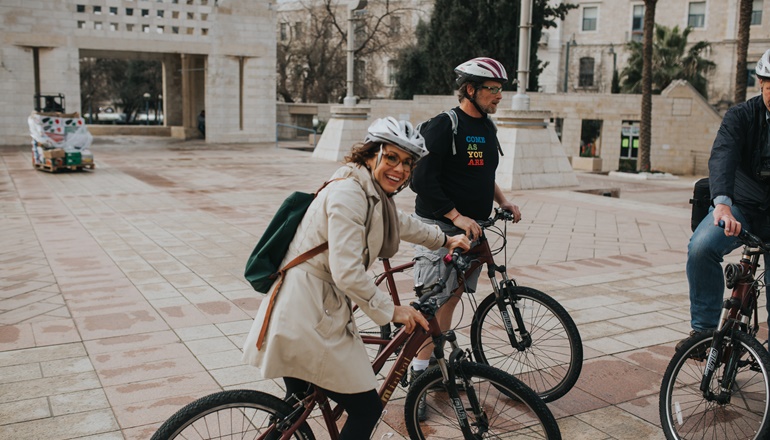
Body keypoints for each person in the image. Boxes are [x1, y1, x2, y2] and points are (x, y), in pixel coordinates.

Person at [242, 117, 471, 439]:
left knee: (295, 407)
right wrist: (392, 310)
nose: (401, 169)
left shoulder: (367, 189)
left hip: (308, 309)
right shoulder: (349, 193)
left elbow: (400, 222)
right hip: (308, 314)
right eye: (391, 157)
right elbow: (347, 271)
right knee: (367, 409)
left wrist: (445, 239)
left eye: (408, 162)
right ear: (370, 154)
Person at [408, 57, 522, 415]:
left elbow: (483, 174)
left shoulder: (487, 128)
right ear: (470, 89)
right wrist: (456, 216)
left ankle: (435, 370)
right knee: (431, 306)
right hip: (439, 230)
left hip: (473, 231)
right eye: (493, 89)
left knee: (451, 300)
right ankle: (416, 378)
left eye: (501, 90)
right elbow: (421, 179)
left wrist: (503, 201)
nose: (499, 96)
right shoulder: (445, 126)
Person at [678, 48, 770, 353]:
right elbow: (723, 157)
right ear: (760, 81)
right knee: (701, 248)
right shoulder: (741, 116)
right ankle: (703, 332)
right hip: (739, 207)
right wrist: (722, 204)